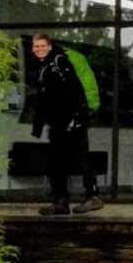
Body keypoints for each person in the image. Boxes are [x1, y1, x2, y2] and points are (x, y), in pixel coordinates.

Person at [29, 34, 103, 216]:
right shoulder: (44, 66)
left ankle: (92, 196)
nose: (39, 49)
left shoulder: (59, 61)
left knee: (80, 156)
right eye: (36, 46)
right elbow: (44, 98)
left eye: (42, 46)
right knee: (55, 160)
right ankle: (61, 201)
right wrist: (39, 125)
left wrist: (77, 115)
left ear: (50, 45)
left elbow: (74, 88)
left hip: (73, 117)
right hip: (59, 119)